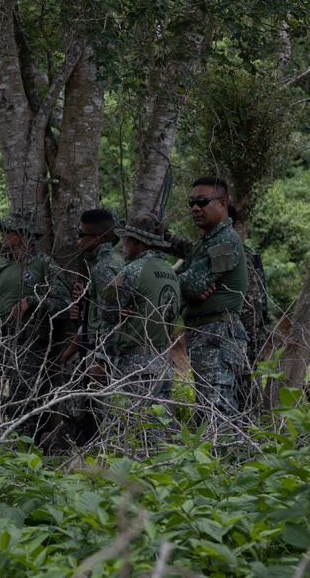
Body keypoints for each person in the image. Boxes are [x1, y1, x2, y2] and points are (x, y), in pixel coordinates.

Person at [164, 204, 269, 414]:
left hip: (233, 334)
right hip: (232, 334)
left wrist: (189, 289)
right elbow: (187, 254)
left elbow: (191, 283)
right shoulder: (209, 249)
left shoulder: (228, 249)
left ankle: (239, 442)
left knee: (229, 403)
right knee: (225, 403)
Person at [0, 207, 71, 441]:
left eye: (7, 230)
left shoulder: (43, 265)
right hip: (2, 342)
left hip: (31, 343)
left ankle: (25, 450)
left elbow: (65, 301)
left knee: (22, 400)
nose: (2, 235)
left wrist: (31, 301)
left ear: (22, 234)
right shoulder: (0, 266)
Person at [176, 177, 248, 430]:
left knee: (219, 413)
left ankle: (231, 467)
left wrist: (188, 288)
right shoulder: (206, 243)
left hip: (218, 335)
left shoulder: (225, 241)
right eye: (192, 203)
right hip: (207, 334)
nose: (195, 208)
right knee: (211, 409)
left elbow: (188, 284)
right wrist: (188, 290)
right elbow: (187, 285)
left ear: (222, 204)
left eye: (202, 202)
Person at [102, 214, 181, 445]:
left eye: (127, 240)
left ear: (138, 242)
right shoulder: (170, 272)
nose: (124, 245)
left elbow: (106, 311)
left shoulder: (132, 270)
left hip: (136, 365)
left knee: (122, 435)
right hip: (164, 362)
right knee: (155, 436)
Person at [57, 209, 124, 445]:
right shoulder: (108, 262)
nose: (77, 240)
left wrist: (101, 359)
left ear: (96, 239)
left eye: (81, 234)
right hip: (93, 346)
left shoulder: (104, 267)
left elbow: (112, 318)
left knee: (104, 412)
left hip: (104, 350)